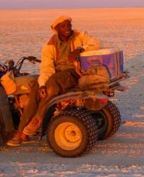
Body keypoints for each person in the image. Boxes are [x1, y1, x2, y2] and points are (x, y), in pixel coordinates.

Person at [7, 15, 100, 146]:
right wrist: (42, 84)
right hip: (57, 74)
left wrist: (80, 49)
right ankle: (21, 131)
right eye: (63, 26)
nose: (67, 28)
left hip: (75, 72)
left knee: (53, 83)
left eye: (69, 25)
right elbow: (46, 67)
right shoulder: (50, 45)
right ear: (56, 29)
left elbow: (95, 43)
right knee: (36, 89)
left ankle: (37, 120)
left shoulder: (80, 35)